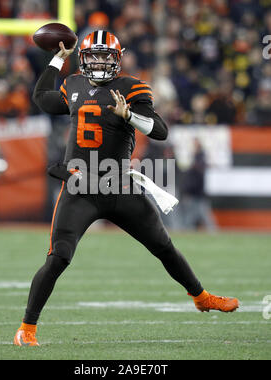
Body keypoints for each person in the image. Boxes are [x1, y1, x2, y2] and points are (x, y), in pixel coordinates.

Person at [14, 31, 239, 346]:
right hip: (81, 188)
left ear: (117, 59)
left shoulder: (132, 88)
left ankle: (201, 296)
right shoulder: (74, 83)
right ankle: (27, 329)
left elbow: (160, 131)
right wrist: (56, 59)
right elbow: (41, 98)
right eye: (94, 55)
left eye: (106, 56)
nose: (100, 61)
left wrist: (129, 115)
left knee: (163, 247)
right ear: (83, 58)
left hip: (120, 186)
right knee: (59, 257)